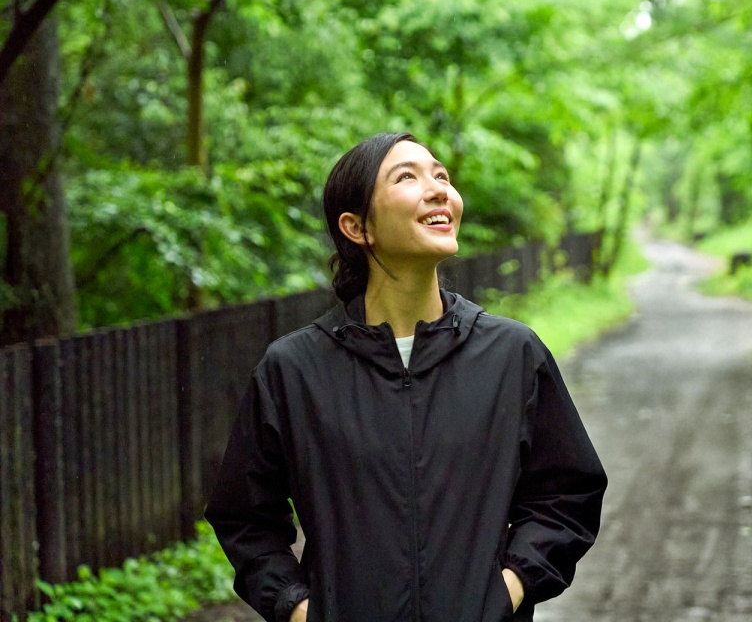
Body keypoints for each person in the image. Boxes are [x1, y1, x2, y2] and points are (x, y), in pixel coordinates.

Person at [205, 132, 607, 622]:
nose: (439, 189)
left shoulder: (512, 354)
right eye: (407, 177)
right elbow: (244, 517)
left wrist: (509, 588)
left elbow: (567, 494)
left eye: (441, 175)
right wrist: (299, 609)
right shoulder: (293, 370)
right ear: (357, 227)